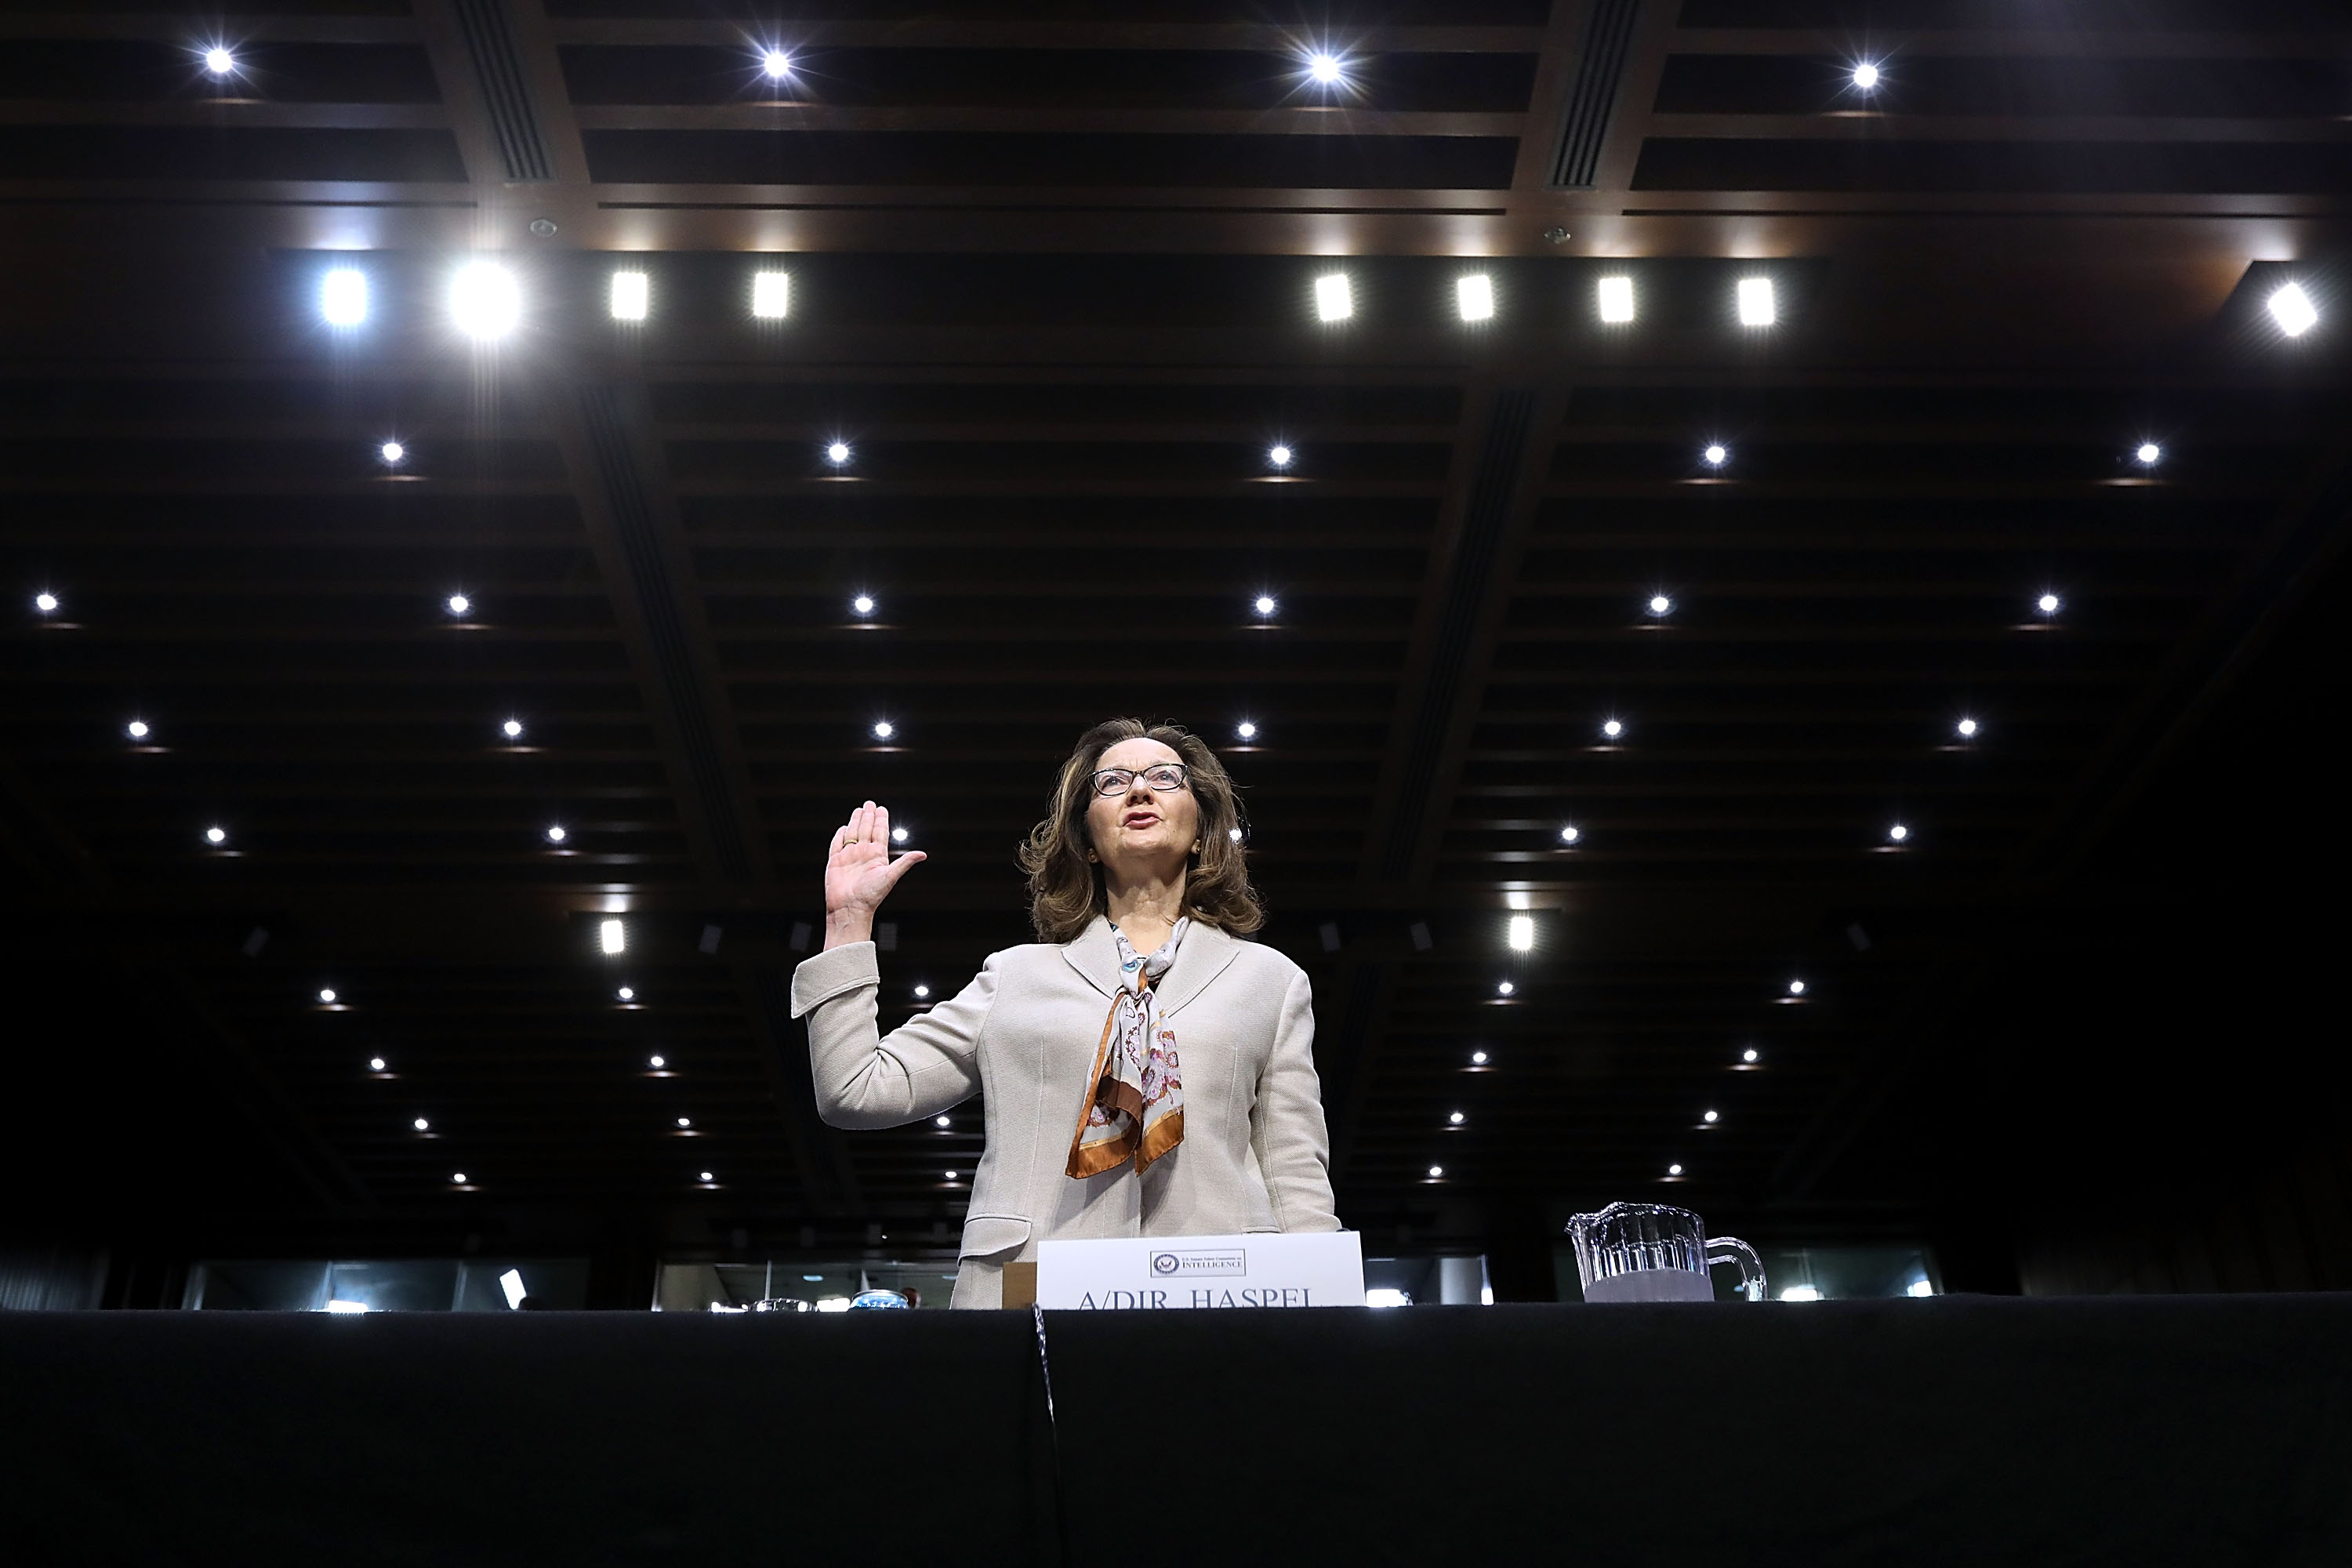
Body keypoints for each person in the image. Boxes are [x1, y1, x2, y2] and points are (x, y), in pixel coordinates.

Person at [789, 717, 1341, 1308]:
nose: (1139, 790)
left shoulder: (1271, 981)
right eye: (1113, 781)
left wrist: (1330, 1314)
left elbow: (1293, 1174)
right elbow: (855, 1091)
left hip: (1222, 1301)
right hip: (1029, 1293)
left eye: (1164, 777)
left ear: (1203, 827)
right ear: (1084, 838)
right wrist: (848, 923)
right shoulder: (1014, 976)